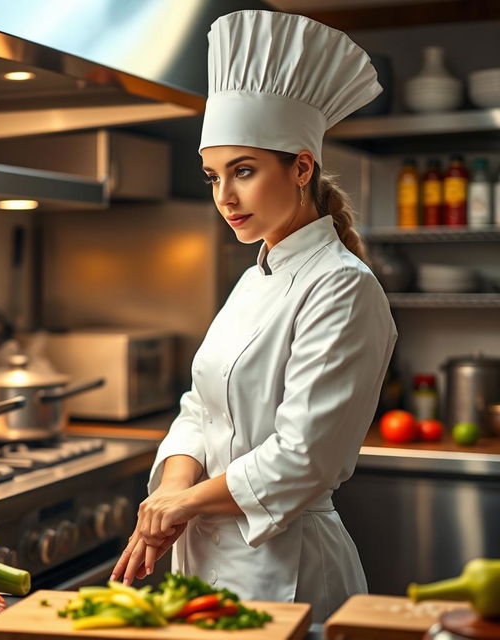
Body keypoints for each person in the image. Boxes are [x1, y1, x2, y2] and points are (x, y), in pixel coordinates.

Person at [111, 10, 397, 622]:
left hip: (289, 568)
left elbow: (303, 456)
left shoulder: (344, 287)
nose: (225, 198)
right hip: (206, 563)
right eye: (214, 177)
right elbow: (200, 405)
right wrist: (170, 489)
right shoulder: (252, 277)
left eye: (244, 171)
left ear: (301, 167)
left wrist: (184, 504)